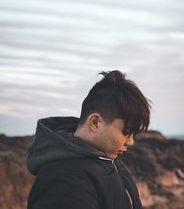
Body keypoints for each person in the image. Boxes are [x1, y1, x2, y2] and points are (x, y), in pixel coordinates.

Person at [27, 70, 151, 209]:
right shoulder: (63, 181)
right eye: (126, 132)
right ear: (95, 122)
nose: (130, 142)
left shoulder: (110, 161)